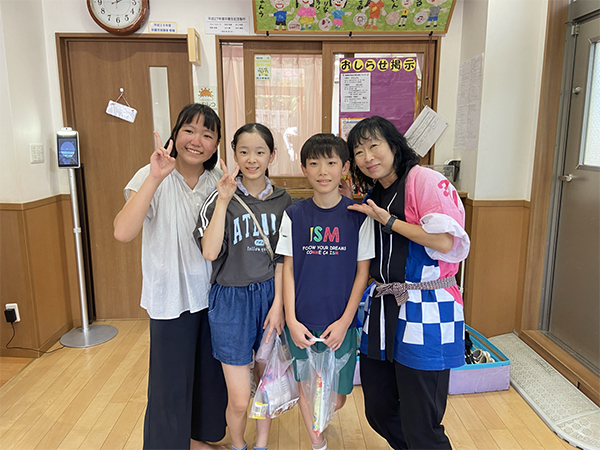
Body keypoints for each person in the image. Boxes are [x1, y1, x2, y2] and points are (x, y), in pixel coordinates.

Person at [346, 116, 470, 450]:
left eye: (374, 146)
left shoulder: (424, 180)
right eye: (359, 152)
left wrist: (390, 221)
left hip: (427, 306)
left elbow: (445, 241)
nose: (368, 156)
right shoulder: (376, 192)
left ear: (394, 145)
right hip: (384, 305)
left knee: (421, 422)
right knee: (379, 408)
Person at [113, 104, 228, 450]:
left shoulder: (217, 180)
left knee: (209, 378)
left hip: (213, 296)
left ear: (216, 143)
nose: (196, 140)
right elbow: (122, 231)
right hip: (169, 298)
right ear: (175, 134)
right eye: (189, 131)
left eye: (207, 134)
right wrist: (154, 177)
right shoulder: (151, 174)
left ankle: (196, 441)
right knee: (169, 384)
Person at [194, 123, 292, 450]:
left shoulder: (283, 201)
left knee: (266, 385)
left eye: (260, 152)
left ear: (272, 156)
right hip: (230, 302)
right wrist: (224, 200)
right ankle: (238, 445)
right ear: (234, 155)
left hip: (270, 298)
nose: (252, 159)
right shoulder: (219, 198)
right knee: (238, 399)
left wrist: (279, 305)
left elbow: (286, 260)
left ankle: (261, 445)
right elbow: (209, 252)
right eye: (244, 152)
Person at [276, 133, 375, 450]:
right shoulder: (294, 215)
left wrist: (345, 321)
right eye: (314, 163)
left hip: (340, 323)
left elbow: (362, 273)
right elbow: (288, 268)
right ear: (304, 169)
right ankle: (317, 444)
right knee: (306, 387)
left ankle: (321, 423)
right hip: (302, 321)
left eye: (331, 163)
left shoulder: (358, 216)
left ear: (344, 167)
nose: (323, 171)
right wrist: (291, 319)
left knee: (337, 396)